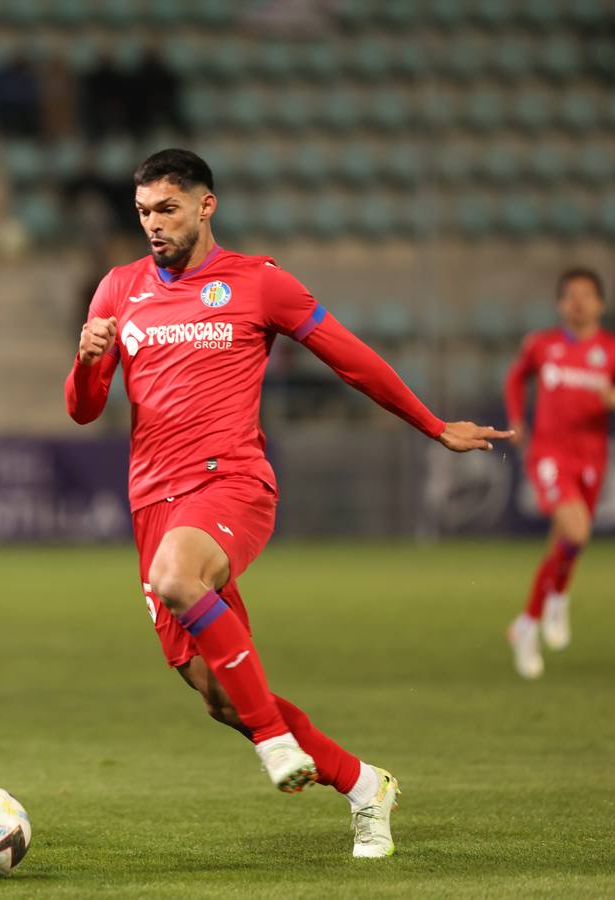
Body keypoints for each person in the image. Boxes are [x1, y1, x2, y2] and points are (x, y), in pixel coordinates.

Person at [65, 149, 509, 858]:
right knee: (219, 697)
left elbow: (349, 356)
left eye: (167, 209)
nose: (153, 224)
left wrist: (430, 423)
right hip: (153, 503)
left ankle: (274, 741)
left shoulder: (257, 283)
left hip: (231, 484)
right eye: (144, 211)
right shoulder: (117, 289)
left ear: (206, 206)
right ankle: (365, 786)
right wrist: (87, 358)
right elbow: (85, 410)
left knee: (177, 580)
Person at [503, 268, 615, 679]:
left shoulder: (610, 350)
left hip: (593, 456)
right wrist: (517, 418)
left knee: (565, 544)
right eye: (570, 295)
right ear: (560, 304)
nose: (578, 302)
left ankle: (527, 625)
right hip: (550, 453)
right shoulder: (542, 345)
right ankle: (559, 599)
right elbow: (516, 378)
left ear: (600, 304)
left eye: (587, 295)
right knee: (578, 532)